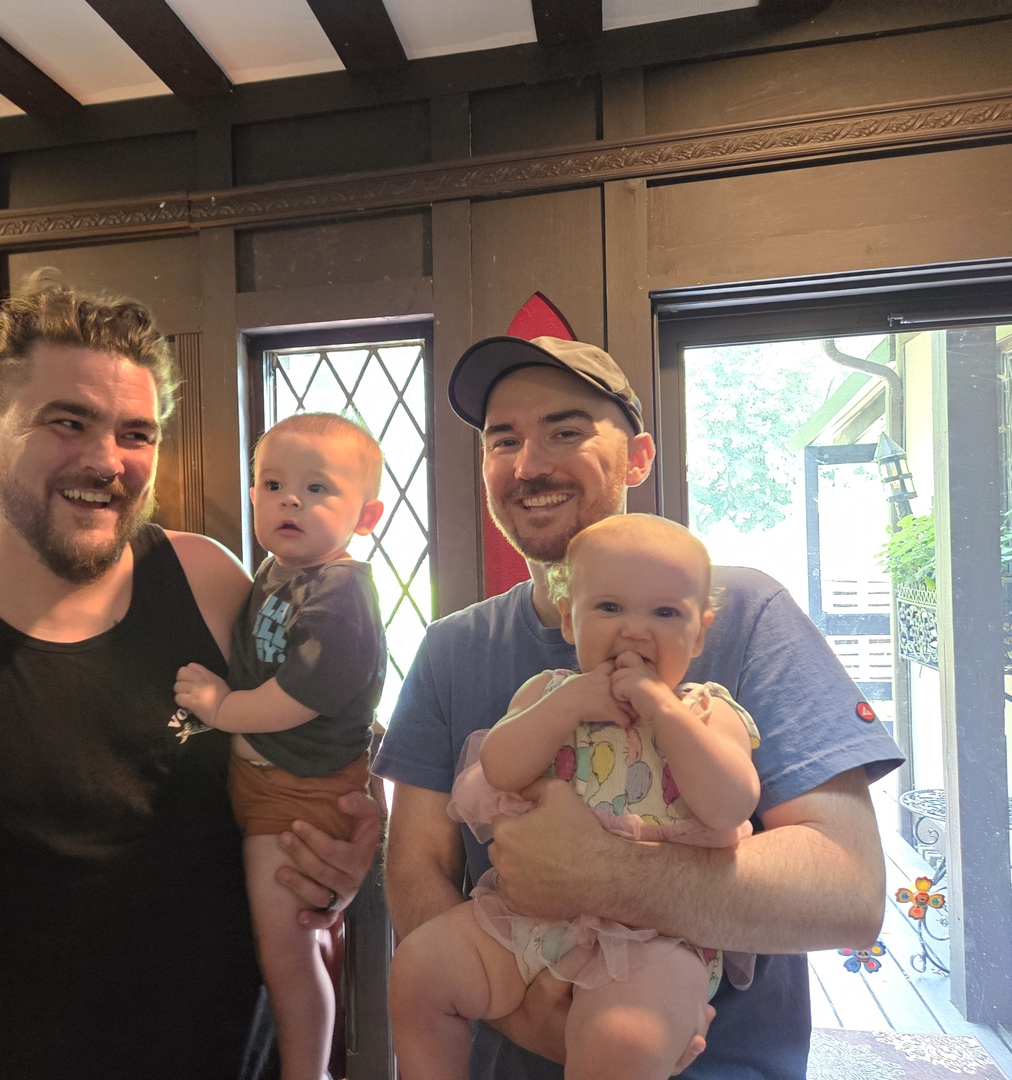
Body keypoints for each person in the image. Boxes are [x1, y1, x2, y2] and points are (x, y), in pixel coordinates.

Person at [0, 274, 380, 1080]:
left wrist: (347, 847)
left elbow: (329, 732)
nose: (106, 460)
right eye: (67, 421)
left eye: (135, 433)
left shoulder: (211, 582)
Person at [373, 333, 904, 1079]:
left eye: (566, 431)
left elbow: (849, 892)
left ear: (638, 458)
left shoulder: (747, 614)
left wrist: (604, 871)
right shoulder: (453, 648)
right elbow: (416, 866)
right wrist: (532, 1019)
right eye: (504, 440)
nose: (529, 464)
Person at [390, 514, 761, 1080]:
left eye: (665, 613)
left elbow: (731, 805)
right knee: (418, 970)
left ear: (699, 633)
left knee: (623, 1038)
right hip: (526, 924)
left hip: (657, 943)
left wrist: (664, 711)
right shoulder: (548, 693)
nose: (634, 631)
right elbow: (500, 768)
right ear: (569, 618)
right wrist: (566, 706)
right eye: (609, 607)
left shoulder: (707, 712)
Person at [173, 412, 387, 1080]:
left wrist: (222, 708)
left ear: (366, 515)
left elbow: (303, 693)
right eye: (272, 485)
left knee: (287, 949)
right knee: (289, 939)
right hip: (267, 775)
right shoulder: (280, 569)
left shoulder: (341, 592)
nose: (290, 500)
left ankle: (307, 1072)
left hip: (302, 785)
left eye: (317, 488)